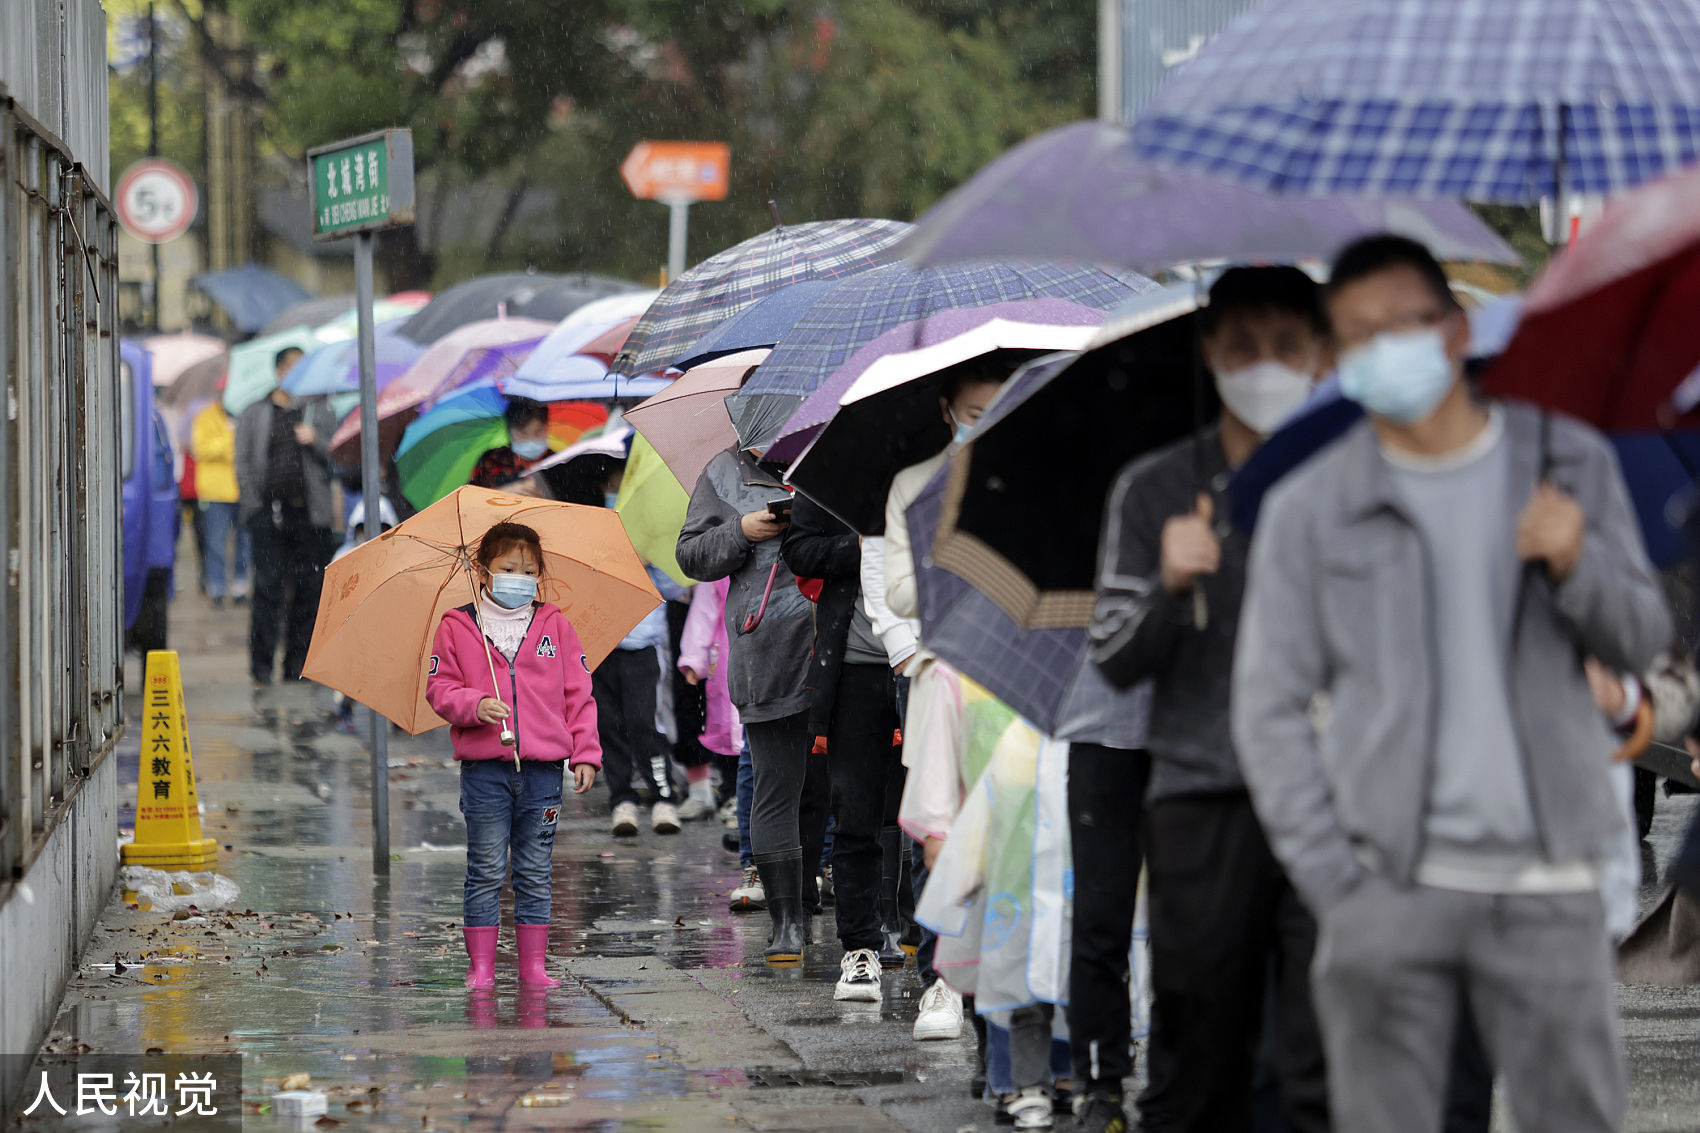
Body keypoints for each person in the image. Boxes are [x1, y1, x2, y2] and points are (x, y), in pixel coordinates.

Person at [1233, 234, 1673, 1133]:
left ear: (1454, 329)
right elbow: (1268, 705)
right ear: (1337, 360)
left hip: (1552, 878)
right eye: (1358, 335)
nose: (1384, 348)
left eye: (1404, 323)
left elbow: (1639, 634)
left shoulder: (1568, 462)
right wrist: (1334, 880)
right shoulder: (1309, 508)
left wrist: (1576, 555)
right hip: (1389, 885)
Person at [1092, 265, 1331, 1133]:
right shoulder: (1155, 489)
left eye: (1285, 346)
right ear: (1211, 352)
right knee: (1198, 1049)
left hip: (1330, 800)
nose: (1264, 364)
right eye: (1243, 347)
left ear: (1318, 355)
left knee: (1321, 1053)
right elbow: (1112, 656)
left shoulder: (1348, 480)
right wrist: (1167, 580)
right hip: (1200, 800)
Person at [879, 361, 1008, 1043]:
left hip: (1017, 680)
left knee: (1012, 830)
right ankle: (943, 978)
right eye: (975, 412)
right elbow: (899, 591)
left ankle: (1009, 985)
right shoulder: (913, 486)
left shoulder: (1025, 477)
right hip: (946, 673)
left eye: (1000, 410)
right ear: (947, 411)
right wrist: (951, 549)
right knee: (942, 834)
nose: (985, 424)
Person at [426, 521, 602, 989]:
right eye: (508, 568)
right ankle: (480, 967)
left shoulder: (555, 625)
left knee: (534, 868)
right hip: (485, 772)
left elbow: (578, 694)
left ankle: (533, 967)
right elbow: (439, 688)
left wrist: (585, 751)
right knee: (484, 867)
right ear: (484, 571)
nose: (518, 578)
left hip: (544, 773)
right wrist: (473, 705)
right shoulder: (458, 625)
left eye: (528, 570)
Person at [678, 445, 828, 966]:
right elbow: (691, 555)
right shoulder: (722, 470)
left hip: (844, 643)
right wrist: (742, 530)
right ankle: (788, 920)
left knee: (847, 790)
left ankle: (872, 918)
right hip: (767, 653)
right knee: (778, 786)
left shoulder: (837, 450)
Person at [783, 494, 908, 1002]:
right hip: (855, 669)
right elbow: (801, 550)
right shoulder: (830, 480)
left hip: (928, 662)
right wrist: (860, 548)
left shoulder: (939, 470)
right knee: (855, 811)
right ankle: (860, 946)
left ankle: (931, 944)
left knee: (929, 813)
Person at [236, 347, 339, 687]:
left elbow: (337, 455)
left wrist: (317, 440)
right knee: (267, 590)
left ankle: (298, 665)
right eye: (293, 370)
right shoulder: (255, 412)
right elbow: (244, 463)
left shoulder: (318, 410)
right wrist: (254, 505)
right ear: (280, 372)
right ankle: (261, 666)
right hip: (268, 515)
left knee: (308, 592)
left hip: (310, 516)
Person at [192, 397, 250, 609]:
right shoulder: (205, 417)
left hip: (242, 491)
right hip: (215, 494)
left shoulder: (245, 415)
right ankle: (217, 588)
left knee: (244, 543)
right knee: (215, 543)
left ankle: (240, 588)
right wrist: (230, 438)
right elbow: (202, 448)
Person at [470, 398, 553, 489]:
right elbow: (473, 495)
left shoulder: (559, 458)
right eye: (522, 436)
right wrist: (506, 491)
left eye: (538, 433)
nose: (531, 442)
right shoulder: (489, 461)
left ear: (547, 427)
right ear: (509, 433)